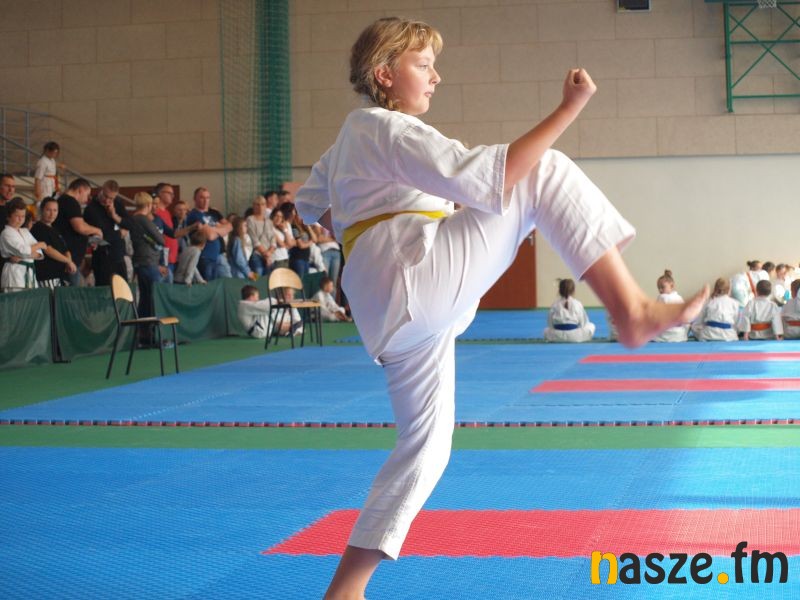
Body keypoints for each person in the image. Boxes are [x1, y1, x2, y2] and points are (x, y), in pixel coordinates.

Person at [293, 17, 708, 598]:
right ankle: (631, 309)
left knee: (426, 447)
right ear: (383, 74)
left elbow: (308, 204)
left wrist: (362, 237)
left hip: (394, 306)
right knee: (545, 170)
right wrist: (568, 109)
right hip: (412, 280)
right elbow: (495, 175)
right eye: (423, 65)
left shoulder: (351, 141)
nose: (435, 77)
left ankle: (345, 589)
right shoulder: (383, 126)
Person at [53, 178, 103, 287]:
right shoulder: (70, 202)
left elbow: (79, 225)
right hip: (69, 259)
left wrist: (89, 239)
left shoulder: (64, 201)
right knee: (76, 293)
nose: (87, 199)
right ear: (80, 190)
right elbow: (80, 227)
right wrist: (97, 230)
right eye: (87, 194)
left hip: (69, 258)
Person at [83, 180, 131, 286]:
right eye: (106, 196)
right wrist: (119, 234)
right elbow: (99, 237)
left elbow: (130, 225)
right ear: (102, 190)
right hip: (102, 257)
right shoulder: (91, 209)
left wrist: (114, 216)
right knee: (104, 291)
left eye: (111, 198)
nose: (107, 200)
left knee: (123, 291)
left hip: (118, 255)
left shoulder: (118, 203)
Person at [128, 192, 165, 324]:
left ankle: (144, 329)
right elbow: (161, 239)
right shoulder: (143, 220)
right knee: (154, 297)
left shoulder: (133, 219)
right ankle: (154, 329)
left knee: (145, 297)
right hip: (148, 261)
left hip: (139, 261)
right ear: (149, 205)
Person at [185, 187, 232, 281]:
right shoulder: (194, 215)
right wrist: (220, 229)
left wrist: (213, 229)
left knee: (227, 282)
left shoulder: (213, 213)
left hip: (218, 254)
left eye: (208, 197)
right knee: (209, 284)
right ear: (195, 199)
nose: (205, 200)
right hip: (205, 256)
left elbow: (230, 226)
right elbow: (210, 236)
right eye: (202, 197)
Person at [0, 198, 46, 291]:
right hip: (14, 276)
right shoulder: (6, 233)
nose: (20, 219)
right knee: (16, 300)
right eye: (17, 216)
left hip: (29, 274)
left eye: (23, 216)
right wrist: (39, 245)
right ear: (8, 216)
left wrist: (22, 255)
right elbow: (23, 250)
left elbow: (39, 254)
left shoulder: (25, 231)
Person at [31, 197, 76, 288]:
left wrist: (69, 262)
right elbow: (48, 250)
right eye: (48, 210)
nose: (52, 214)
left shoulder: (55, 229)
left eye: (55, 210)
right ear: (42, 210)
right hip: (47, 276)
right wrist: (68, 261)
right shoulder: (38, 228)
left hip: (60, 275)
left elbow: (66, 250)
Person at [692, 277, 741, 342]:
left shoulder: (709, 302)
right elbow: (736, 325)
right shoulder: (735, 303)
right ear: (729, 290)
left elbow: (698, 323)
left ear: (715, 289)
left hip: (709, 335)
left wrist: (698, 333)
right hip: (729, 335)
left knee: (696, 330)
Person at [652, 270, 689, 342]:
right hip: (679, 334)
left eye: (662, 287)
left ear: (672, 286)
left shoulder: (661, 297)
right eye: (658, 288)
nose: (660, 290)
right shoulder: (679, 297)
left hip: (666, 332)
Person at [227, 216, 258, 280]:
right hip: (238, 273)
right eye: (245, 225)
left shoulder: (235, 239)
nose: (247, 227)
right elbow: (239, 259)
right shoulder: (237, 240)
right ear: (239, 227)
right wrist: (248, 272)